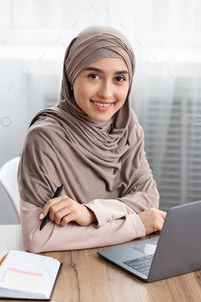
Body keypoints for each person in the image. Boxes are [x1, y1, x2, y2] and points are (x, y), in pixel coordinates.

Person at [18, 25, 166, 253]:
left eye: (119, 78)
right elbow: (37, 238)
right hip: (69, 267)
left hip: (120, 257)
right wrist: (136, 224)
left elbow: (148, 199)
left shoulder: (126, 125)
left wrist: (90, 213)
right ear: (71, 76)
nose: (106, 93)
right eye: (94, 76)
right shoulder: (44, 138)